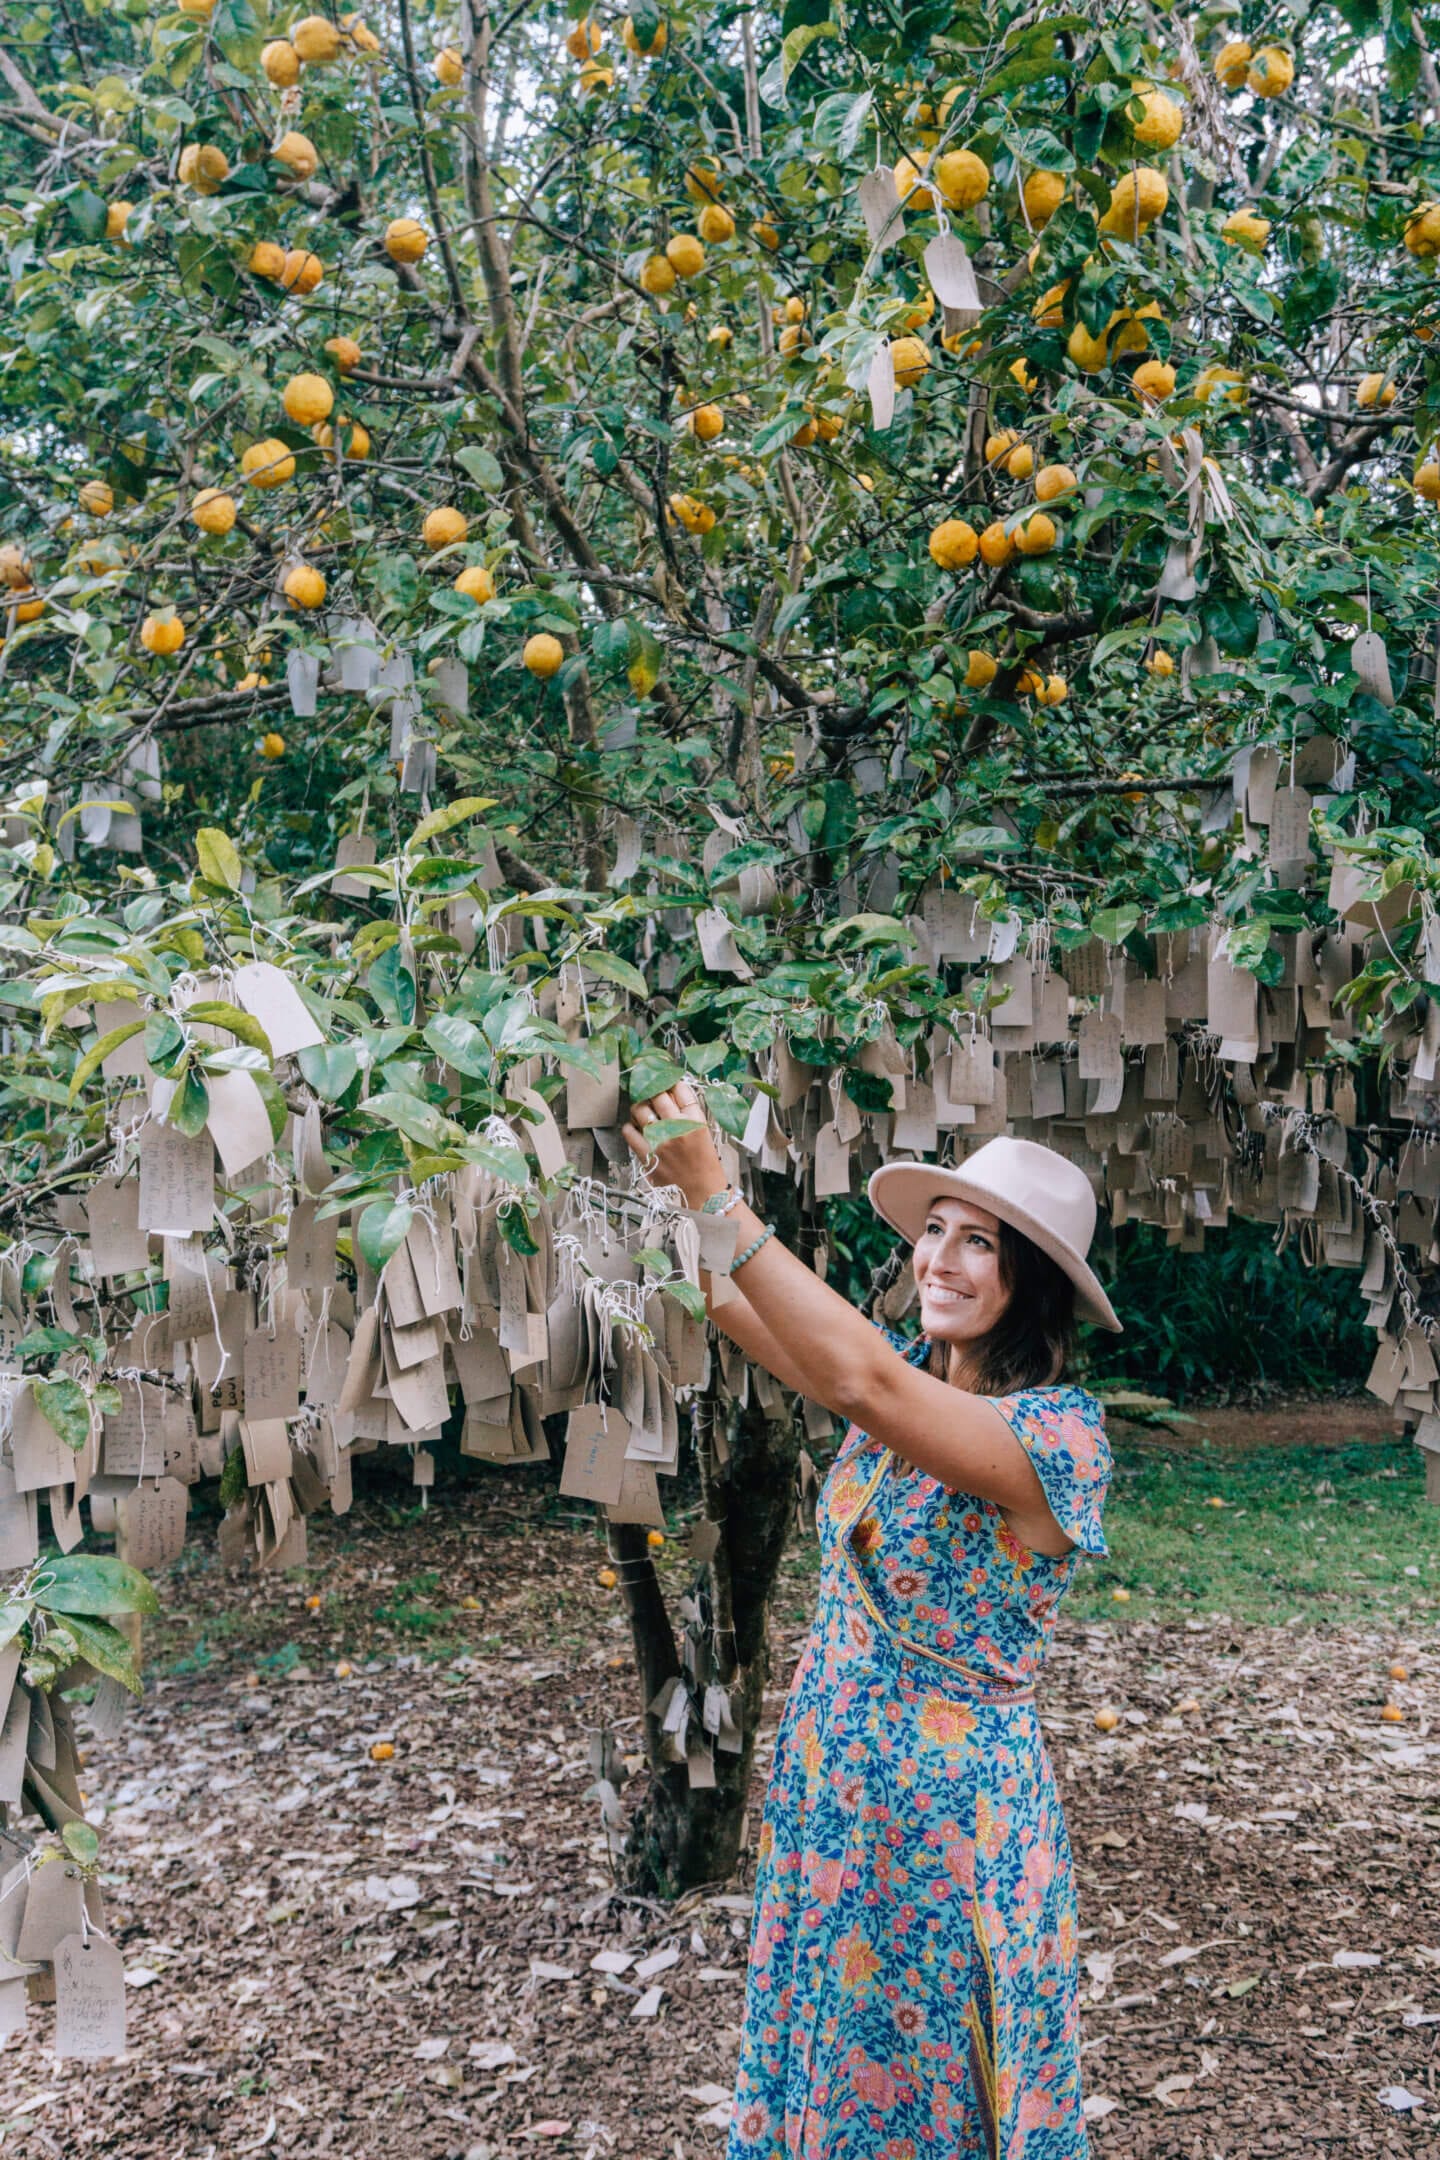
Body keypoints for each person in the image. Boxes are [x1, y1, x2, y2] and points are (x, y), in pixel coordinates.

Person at [623, 1081, 1123, 2160]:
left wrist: (722, 1190)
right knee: (842, 2083)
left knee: (927, 2099)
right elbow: (730, 1306)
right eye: (933, 1232)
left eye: (978, 1243)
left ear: (1031, 1281)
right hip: (836, 1815)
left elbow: (857, 1378)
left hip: (947, 1838)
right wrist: (660, 1197)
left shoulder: (1057, 1439)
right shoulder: (902, 1394)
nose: (939, 1259)